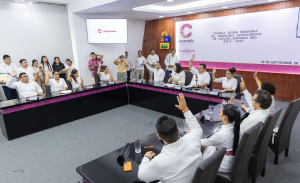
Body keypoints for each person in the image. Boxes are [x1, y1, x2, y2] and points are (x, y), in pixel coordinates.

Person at [138, 93, 203, 183]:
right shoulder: (192, 139)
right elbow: (196, 127)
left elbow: (142, 176)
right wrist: (185, 109)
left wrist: (146, 158)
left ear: (159, 136)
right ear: (178, 130)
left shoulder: (159, 161)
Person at [200, 104, 241, 172]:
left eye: (220, 112)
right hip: (229, 158)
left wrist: (193, 135)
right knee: (206, 147)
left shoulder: (221, 134)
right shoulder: (235, 127)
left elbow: (205, 142)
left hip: (222, 164)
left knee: (200, 148)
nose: (219, 114)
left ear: (224, 117)